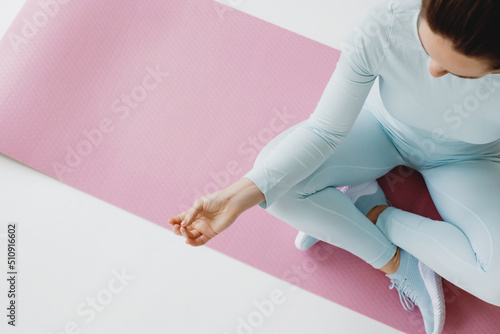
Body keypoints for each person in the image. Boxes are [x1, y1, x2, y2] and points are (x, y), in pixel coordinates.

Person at [168, 0, 500, 333]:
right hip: (381, 128)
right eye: (426, 48)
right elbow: (324, 131)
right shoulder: (387, 22)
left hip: (469, 160)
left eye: (454, 70)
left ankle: (372, 214)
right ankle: (398, 263)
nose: (432, 71)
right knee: (274, 186)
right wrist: (235, 197)